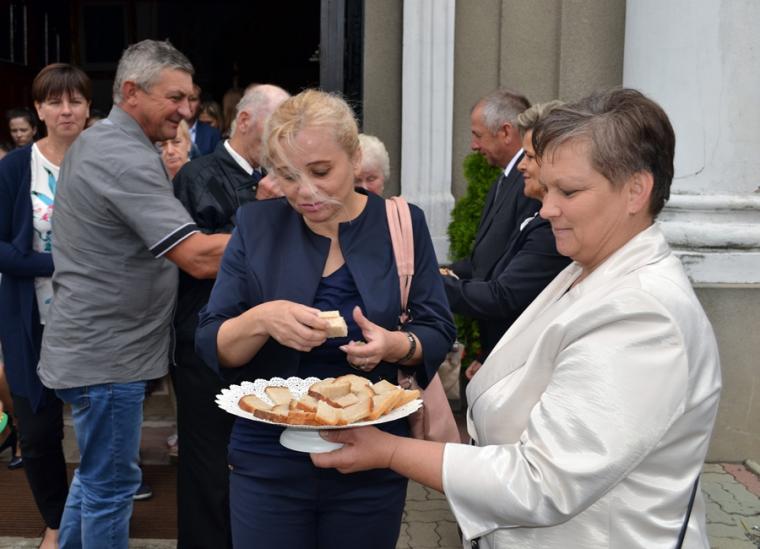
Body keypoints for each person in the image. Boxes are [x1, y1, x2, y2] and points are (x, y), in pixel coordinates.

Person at [312, 88, 722, 549]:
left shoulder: (644, 315)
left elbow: (542, 482)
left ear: (636, 190)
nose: (546, 209)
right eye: (548, 189)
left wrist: (390, 451)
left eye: (568, 191)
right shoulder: (588, 268)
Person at [195, 89, 455, 549]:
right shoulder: (256, 226)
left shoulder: (401, 223)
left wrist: (395, 346)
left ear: (354, 158)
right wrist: (263, 318)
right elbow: (212, 342)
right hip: (268, 455)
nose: (305, 192)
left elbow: (437, 329)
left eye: (320, 172)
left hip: (372, 451)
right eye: (287, 176)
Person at [37, 39, 230, 549]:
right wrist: (283, 233)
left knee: (94, 480)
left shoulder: (104, 141)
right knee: (110, 487)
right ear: (131, 92)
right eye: (175, 98)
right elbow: (197, 257)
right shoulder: (121, 155)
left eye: (191, 98)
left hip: (101, 352)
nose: (186, 111)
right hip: (108, 358)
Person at [171, 83, 289, 549]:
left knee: (259, 464)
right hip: (205, 345)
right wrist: (260, 210)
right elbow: (198, 261)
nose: (285, 137)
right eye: (277, 125)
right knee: (208, 471)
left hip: (267, 345)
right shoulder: (196, 176)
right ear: (244, 121)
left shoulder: (283, 176)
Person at [0, 63, 93, 549]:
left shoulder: (104, 163)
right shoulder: (17, 168)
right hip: (31, 321)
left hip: (96, 323)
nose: (65, 110)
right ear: (38, 109)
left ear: (89, 107)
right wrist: (61, 264)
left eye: (75, 100)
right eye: (54, 101)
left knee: (102, 427)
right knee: (36, 434)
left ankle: (97, 512)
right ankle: (56, 521)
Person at [444, 101, 570, 380]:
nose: (521, 166)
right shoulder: (537, 217)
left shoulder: (552, 230)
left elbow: (505, 297)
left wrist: (427, 282)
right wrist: (487, 355)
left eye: (529, 157)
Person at [449, 89, 540, 359]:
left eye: (478, 135)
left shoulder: (529, 188)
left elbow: (508, 284)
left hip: (515, 344)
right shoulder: (502, 181)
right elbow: (484, 261)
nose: (473, 146)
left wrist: (430, 281)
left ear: (506, 132)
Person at [187, 83, 222, 158]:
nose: (188, 104)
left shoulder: (212, 134)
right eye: (183, 99)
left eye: (193, 99)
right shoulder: (166, 131)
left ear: (200, 104)